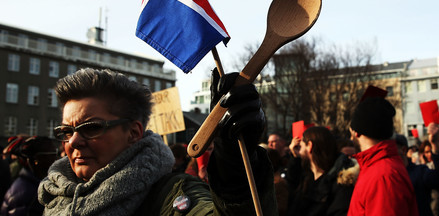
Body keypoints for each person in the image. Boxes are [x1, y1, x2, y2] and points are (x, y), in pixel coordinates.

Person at [38, 68, 277, 216]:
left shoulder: (173, 197)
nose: (74, 141)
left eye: (91, 128)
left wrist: (233, 169)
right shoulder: (54, 196)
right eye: (66, 131)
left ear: (133, 133)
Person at [347, 97, 418, 216]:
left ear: (357, 132)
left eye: (350, 133)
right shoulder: (377, 169)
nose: (350, 138)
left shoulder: (383, 176)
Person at [286, 126, 357, 216]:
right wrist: (295, 158)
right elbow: (291, 185)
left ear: (309, 146)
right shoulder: (308, 177)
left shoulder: (340, 182)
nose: (299, 148)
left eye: (301, 144)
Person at [395, 124, 439, 216]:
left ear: (403, 150)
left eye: (391, 149)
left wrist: (435, 144)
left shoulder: (419, 172)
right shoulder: (385, 176)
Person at [1, 136, 58, 216]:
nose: (56, 158)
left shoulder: (34, 184)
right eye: (52, 154)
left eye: (56, 153)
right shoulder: (26, 193)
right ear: (37, 159)